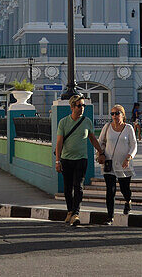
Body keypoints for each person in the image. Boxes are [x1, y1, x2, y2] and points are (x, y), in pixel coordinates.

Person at [54, 95, 106, 226]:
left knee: (78, 186)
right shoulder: (63, 122)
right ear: (72, 107)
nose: (82, 108)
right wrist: (57, 161)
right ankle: (70, 211)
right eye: (79, 105)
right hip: (66, 159)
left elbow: (93, 138)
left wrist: (101, 152)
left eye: (83, 105)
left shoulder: (87, 121)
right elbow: (59, 143)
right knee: (67, 188)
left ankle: (76, 213)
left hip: (81, 159)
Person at [98, 104, 138, 217]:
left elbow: (134, 145)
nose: (115, 116)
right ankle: (110, 216)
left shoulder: (128, 128)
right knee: (110, 191)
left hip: (124, 164)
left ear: (123, 115)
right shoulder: (106, 127)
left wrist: (129, 157)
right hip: (109, 164)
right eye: (112, 114)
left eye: (117, 113)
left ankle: (128, 200)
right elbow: (100, 142)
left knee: (125, 188)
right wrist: (99, 154)